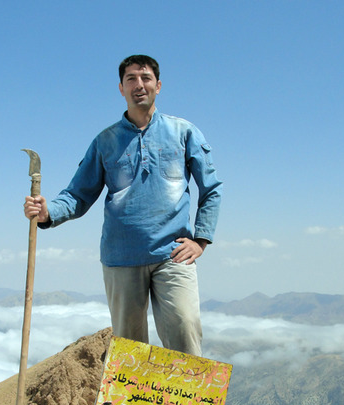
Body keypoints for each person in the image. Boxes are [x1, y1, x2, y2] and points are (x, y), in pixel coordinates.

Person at [23, 54, 222, 356]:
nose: (138, 84)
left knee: (186, 331)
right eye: (131, 79)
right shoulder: (106, 141)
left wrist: (201, 240)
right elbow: (78, 194)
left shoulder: (184, 133)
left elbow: (211, 189)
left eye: (145, 77)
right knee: (130, 350)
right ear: (121, 88)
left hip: (173, 254)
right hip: (120, 258)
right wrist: (48, 211)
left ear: (158, 85)